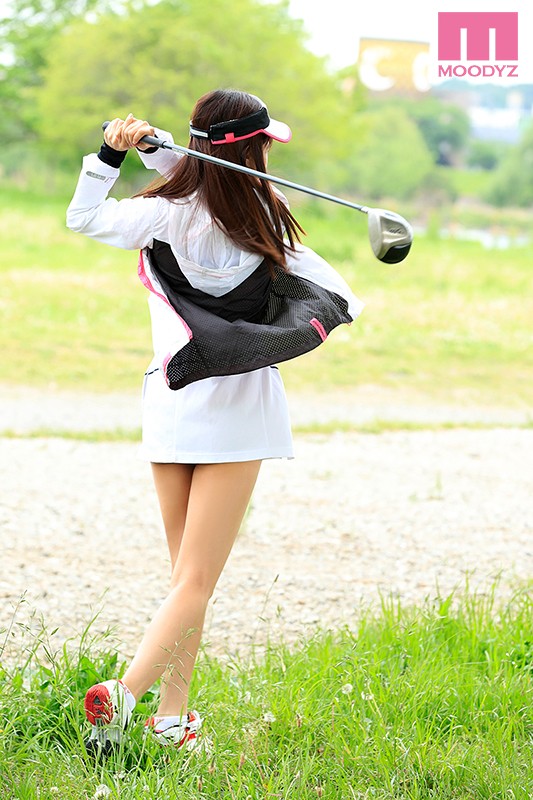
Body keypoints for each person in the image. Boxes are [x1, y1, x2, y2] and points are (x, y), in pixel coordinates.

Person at [66, 88, 364, 755]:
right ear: (253, 153)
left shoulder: (162, 213)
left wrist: (113, 154)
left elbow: (83, 217)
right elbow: (344, 299)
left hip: (170, 401)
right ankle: (123, 696)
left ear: (197, 147)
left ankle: (172, 722)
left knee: (186, 583)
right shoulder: (266, 218)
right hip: (238, 409)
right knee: (196, 583)